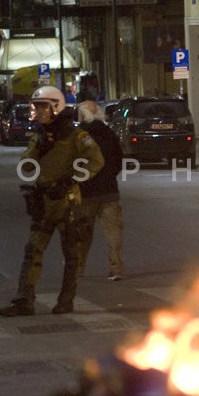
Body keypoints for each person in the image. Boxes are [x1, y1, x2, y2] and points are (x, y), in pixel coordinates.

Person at [0, 86, 104, 317]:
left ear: (56, 106)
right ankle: (24, 301)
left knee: (71, 253)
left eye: (43, 106)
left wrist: (72, 178)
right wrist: (32, 162)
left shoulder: (76, 136)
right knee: (33, 250)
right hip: (44, 201)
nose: (38, 111)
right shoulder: (41, 135)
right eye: (36, 106)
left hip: (67, 202)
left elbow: (96, 161)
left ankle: (66, 300)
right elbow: (27, 161)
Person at [75, 99, 125, 282]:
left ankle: (78, 269)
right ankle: (116, 269)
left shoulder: (77, 135)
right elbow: (119, 161)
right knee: (113, 232)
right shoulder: (109, 133)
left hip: (85, 192)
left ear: (82, 115)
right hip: (109, 190)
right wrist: (109, 175)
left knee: (82, 233)